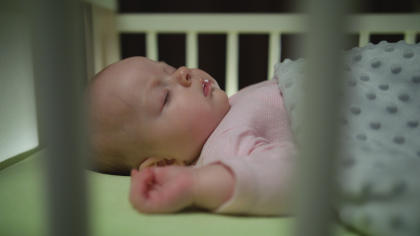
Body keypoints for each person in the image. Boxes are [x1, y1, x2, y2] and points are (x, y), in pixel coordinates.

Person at [88, 56, 296, 216]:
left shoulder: (228, 110)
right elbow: (291, 175)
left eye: (169, 68)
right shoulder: (224, 146)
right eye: (165, 97)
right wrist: (195, 184)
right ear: (164, 163)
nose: (182, 72)